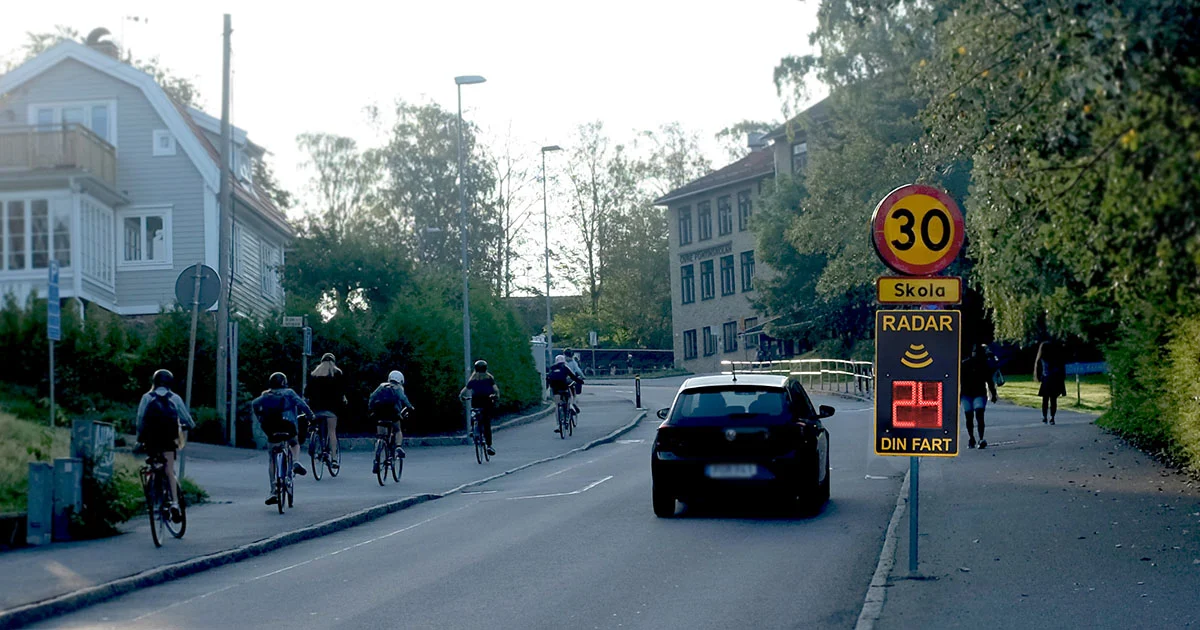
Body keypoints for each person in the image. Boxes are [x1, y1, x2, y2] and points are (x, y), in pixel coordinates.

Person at [136, 369, 195, 522]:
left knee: (154, 466)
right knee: (169, 470)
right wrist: (186, 426)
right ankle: (174, 503)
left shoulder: (147, 398)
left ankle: (152, 499)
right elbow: (188, 421)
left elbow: (140, 420)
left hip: (151, 441)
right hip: (169, 440)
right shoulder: (175, 398)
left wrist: (139, 439)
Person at [252, 372, 314, 505]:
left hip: (271, 428)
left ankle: (273, 490)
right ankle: (296, 461)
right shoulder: (289, 393)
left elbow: (255, 403)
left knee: (272, 457)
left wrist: (260, 418)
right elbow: (302, 405)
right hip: (288, 426)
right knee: (294, 443)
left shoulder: (265, 395)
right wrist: (310, 416)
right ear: (284, 383)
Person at [368, 370, 414, 473]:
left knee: (380, 436)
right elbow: (404, 399)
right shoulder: (399, 388)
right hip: (393, 414)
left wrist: (371, 409)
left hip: (380, 414)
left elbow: (372, 398)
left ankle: (377, 458)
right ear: (401, 380)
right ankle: (398, 446)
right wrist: (410, 407)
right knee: (398, 430)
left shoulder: (381, 386)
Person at [307, 353, 346, 470]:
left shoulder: (314, 374)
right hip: (331, 409)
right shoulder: (337, 374)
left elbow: (306, 392)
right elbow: (340, 392)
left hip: (315, 409)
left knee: (317, 427)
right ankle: (334, 458)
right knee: (331, 432)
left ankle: (315, 443)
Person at [961, 343, 999, 449]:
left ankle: (972, 438)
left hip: (967, 394)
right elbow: (990, 381)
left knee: (969, 416)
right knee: (979, 415)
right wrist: (993, 394)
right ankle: (980, 438)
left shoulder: (965, 364)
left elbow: (959, 381)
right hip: (978, 393)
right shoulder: (984, 365)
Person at [459, 359, 499, 456]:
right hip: (487, 402)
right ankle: (489, 446)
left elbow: (464, 390)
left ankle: (473, 430)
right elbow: (496, 390)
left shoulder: (473, 379)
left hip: (476, 401)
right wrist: (496, 396)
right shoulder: (489, 378)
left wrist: (461, 397)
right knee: (486, 424)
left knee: (474, 413)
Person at [546, 355, 583, 433]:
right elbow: (573, 376)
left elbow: (548, 378)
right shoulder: (565, 368)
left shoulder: (552, 368)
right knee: (569, 397)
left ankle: (558, 425)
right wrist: (580, 381)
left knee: (557, 405)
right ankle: (570, 408)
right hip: (563, 387)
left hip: (555, 388)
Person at [1035, 340, 1067, 424]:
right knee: (1053, 400)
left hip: (1046, 380)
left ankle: (1045, 416)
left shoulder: (1042, 358)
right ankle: (1052, 417)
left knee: (1045, 400)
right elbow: (1061, 369)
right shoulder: (1056, 358)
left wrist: (1039, 377)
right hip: (1055, 380)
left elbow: (1039, 369)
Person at [564, 349, 585, 414]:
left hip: (561, 380)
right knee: (573, 393)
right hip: (570, 379)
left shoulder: (562, 360)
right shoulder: (573, 362)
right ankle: (573, 404)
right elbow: (578, 370)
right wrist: (583, 376)